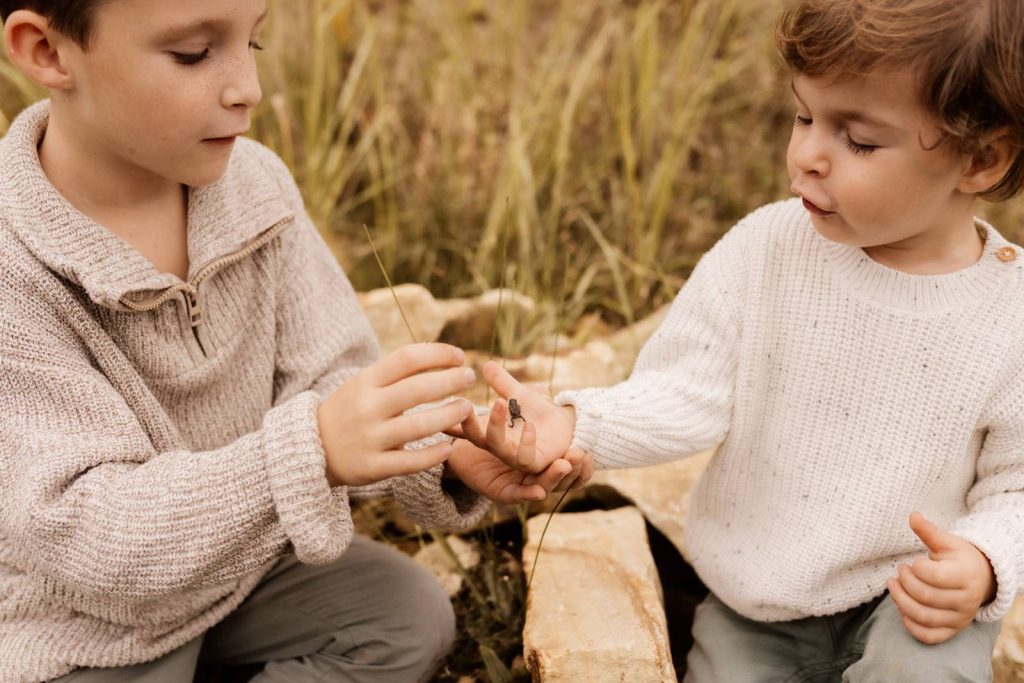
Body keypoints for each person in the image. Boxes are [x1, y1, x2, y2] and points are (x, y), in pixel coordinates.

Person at [0, 1, 584, 681]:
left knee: (406, 614)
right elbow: (87, 532)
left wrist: (443, 455)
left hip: (241, 567)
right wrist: (313, 451)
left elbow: (333, 374)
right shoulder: (14, 269)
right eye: (193, 54)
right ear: (47, 51)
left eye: (255, 43)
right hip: (85, 621)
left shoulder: (256, 189)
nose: (247, 86)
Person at [472, 0, 1024, 679]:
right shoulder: (768, 251)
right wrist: (579, 422)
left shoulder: (1010, 314)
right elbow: (687, 391)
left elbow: (1017, 483)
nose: (808, 156)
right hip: (757, 598)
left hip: (914, 598)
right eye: (804, 116)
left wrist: (984, 559)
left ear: (982, 158)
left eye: (859, 141)